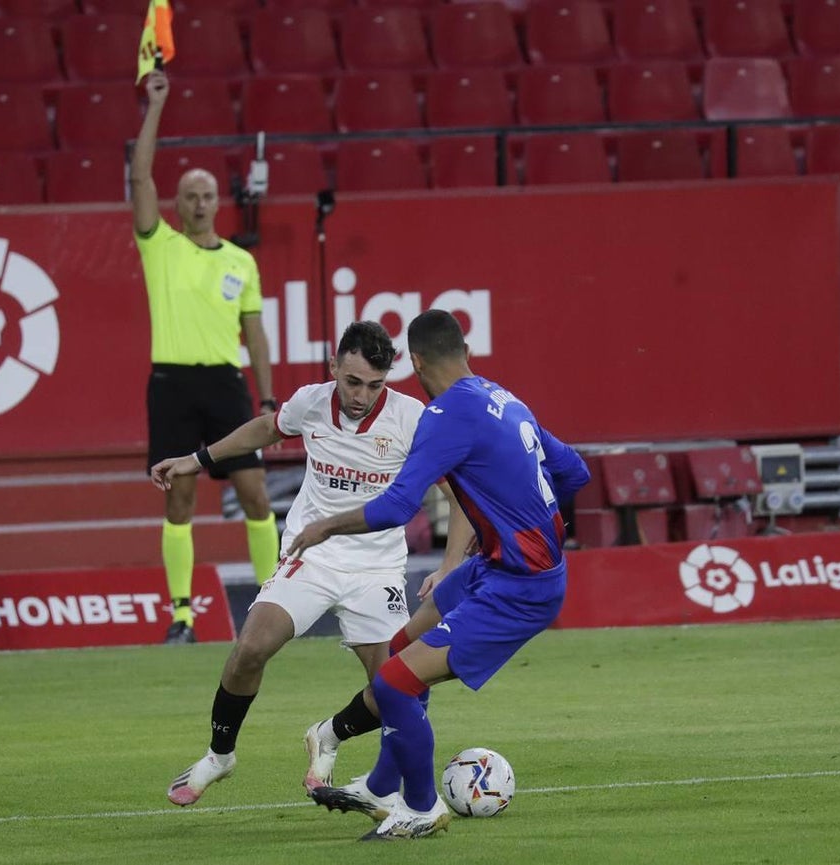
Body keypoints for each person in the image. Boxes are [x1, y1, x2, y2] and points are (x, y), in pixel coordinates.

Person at [286, 309, 591, 841]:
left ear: (418, 361)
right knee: (401, 644)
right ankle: (382, 786)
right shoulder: (503, 398)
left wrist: (324, 526)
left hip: (520, 588)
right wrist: (519, 524)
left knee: (394, 680)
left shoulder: (445, 415)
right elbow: (573, 472)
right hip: (495, 566)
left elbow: (397, 507)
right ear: (464, 351)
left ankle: (422, 807)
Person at [150, 321, 471, 807]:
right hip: (312, 553)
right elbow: (266, 428)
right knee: (250, 648)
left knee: (398, 691)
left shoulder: (412, 418)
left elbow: (459, 498)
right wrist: (197, 459)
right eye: (353, 381)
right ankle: (219, 756)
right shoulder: (311, 401)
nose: (362, 395)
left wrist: (448, 566)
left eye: (375, 385)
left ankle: (331, 737)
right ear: (334, 368)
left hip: (377, 569)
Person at [131, 68, 281, 644]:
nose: (198, 202)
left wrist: (266, 397)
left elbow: (256, 333)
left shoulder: (241, 262)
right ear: (178, 202)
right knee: (181, 496)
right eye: (189, 195)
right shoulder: (160, 246)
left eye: (207, 194)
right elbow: (139, 174)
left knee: (255, 494)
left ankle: (270, 606)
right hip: (170, 383)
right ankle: (183, 615)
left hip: (225, 384)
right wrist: (155, 107)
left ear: (219, 201)